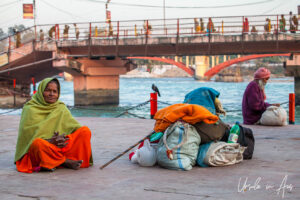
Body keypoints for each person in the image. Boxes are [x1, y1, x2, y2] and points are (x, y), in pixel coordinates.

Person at [15, 78, 93, 173]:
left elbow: (73, 128)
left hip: (59, 147)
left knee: (85, 131)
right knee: (38, 144)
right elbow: (28, 141)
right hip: (43, 148)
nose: (51, 94)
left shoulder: (60, 107)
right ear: (40, 91)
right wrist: (51, 141)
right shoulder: (30, 108)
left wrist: (63, 139)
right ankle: (64, 161)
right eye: (47, 90)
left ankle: (55, 161)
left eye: (54, 91)